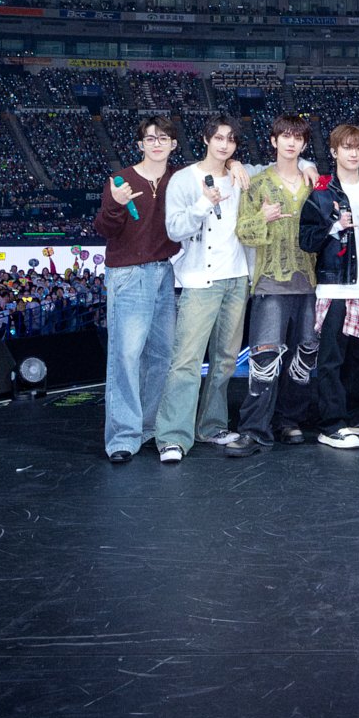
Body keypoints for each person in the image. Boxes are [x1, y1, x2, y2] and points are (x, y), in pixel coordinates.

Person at [218, 117, 321, 456]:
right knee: (264, 358)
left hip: (309, 284)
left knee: (304, 356)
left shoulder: (314, 184)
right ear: (274, 141)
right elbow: (243, 231)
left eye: (297, 138)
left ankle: (289, 420)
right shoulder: (258, 183)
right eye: (285, 136)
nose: (291, 143)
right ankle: (253, 429)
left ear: (304, 145)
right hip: (270, 284)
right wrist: (263, 217)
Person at [156, 115, 250, 463]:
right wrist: (203, 203)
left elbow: (292, 163)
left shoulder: (241, 175)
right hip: (199, 282)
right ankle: (172, 437)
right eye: (219, 138)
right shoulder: (184, 179)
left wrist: (237, 165)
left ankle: (212, 426)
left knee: (225, 361)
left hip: (236, 279)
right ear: (206, 139)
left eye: (231, 140)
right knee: (187, 361)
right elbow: (174, 229)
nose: (224, 145)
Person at [89, 115, 182, 464]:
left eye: (163, 138)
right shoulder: (121, 180)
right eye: (150, 138)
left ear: (173, 144)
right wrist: (115, 203)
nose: (157, 143)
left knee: (161, 356)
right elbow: (104, 229)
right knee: (126, 357)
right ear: (140, 144)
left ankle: (149, 427)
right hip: (128, 275)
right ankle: (123, 437)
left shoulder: (178, 179)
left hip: (163, 272)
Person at [298, 124, 359, 449]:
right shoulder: (322, 193)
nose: (354, 153)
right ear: (334, 151)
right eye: (347, 147)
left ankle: (354, 416)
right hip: (336, 287)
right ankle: (331, 424)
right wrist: (334, 226)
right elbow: (306, 240)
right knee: (332, 360)